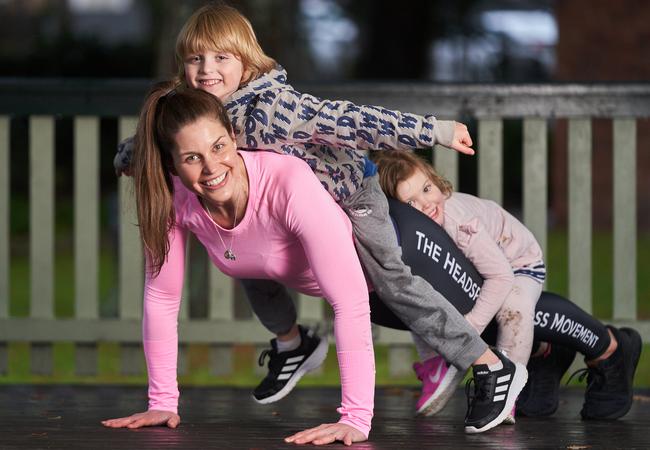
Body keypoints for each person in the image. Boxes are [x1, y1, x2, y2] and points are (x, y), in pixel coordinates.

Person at [113, 3, 528, 434]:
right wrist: (128, 157)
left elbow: (352, 121)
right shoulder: (193, 112)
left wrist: (433, 131)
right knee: (243, 258)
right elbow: (156, 140)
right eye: (195, 59)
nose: (206, 70)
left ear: (247, 59)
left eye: (221, 58)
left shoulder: (276, 109)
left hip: (351, 196)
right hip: (279, 214)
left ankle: (488, 365)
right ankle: (294, 345)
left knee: (392, 283)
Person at [103, 84, 374, 446]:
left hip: (398, 271)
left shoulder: (287, 182)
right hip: (369, 299)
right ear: (171, 164)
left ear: (233, 136)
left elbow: (351, 302)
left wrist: (356, 418)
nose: (212, 167)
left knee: (471, 338)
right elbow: (162, 298)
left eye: (218, 147)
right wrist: (162, 402)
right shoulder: (174, 200)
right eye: (191, 158)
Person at [373, 150, 642, 423]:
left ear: (435, 179)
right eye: (411, 203)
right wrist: (436, 355)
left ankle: (504, 390)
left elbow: (501, 276)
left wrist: (469, 329)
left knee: (512, 312)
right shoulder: (415, 237)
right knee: (441, 301)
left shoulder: (460, 223)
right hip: (481, 269)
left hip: (517, 264)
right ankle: (544, 354)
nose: (426, 204)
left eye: (427, 189)